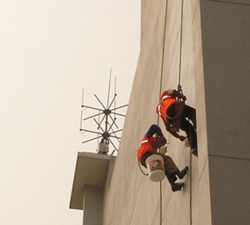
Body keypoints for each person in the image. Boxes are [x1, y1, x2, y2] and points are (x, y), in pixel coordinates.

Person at [137, 124, 188, 192]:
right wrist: (161, 135)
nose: (159, 146)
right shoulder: (148, 137)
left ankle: (173, 185)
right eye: (160, 144)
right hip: (146, 154)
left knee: (163, 165)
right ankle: (179, 174)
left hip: (144, 160)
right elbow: (154, 127)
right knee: (167, 159)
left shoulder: (152, 147)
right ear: (157, 138)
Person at [156, 89, 198, 156]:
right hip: (173, 106)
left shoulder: (160, 110)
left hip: (170, 118)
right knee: (192, 113)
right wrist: (182, 96)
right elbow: (173, 92)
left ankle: (194, 148)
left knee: (188, 128)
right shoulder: (164, 95)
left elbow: (167, 128)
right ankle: (199, 127)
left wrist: (178, 136)